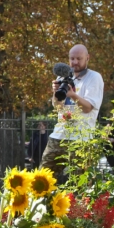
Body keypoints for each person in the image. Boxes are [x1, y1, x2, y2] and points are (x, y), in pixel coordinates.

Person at [41, 44, 104, 177]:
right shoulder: (61, 77)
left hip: (81, 139)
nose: (75, 62)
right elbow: (58, 107)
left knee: (79, 184)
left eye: (79, 58)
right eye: (72, 58)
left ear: (87, 58)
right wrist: (55, 93)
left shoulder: (94, 77)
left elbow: (88, 108)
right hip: (59, 136)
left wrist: (73, 95)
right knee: (42, 179)